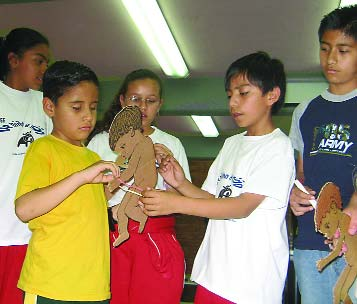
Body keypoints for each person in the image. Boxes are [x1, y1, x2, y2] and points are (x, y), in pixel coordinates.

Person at [141, 52, 295, 304]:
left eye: (243, 93)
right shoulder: (232, 144)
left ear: (272, 95)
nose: (233, 103)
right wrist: (180, 183)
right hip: (213, 275)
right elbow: (213, 200)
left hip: (249, 286)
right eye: (229, 95)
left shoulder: (277, 147)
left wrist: (175, 203)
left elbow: (241, 206)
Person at [14, 60, 119, 303]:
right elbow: (24, 209)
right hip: (50, 286)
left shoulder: (92, 157)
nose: (88, 117)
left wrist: (111, 190)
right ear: (49, 107)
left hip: (93, 288)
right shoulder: (43, 149)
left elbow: (82, 209)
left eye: (92, 108)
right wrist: (82, 177)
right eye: (76, 107)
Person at [87, 68, 191, 304]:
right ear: (122, 100)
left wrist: (166, 168)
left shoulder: (171, 144)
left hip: (155, 235)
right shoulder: (101, 142)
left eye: (150, 101)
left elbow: (182, 202)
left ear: (159, 104)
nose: (142, 107)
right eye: (135, 99)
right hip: (111, 234)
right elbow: (89, 198)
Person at [288, 5, 357, 304]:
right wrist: (294, 193)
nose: (331, 59)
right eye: (325, 48)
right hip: (310, 243)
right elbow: (302, 175)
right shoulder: (305, 111)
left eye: (343, 50)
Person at [0, 28, 51, 304]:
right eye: (38, 60)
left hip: (26, 233)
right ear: (13, 59)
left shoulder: (44, 105)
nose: (44, 68)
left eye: (46, 63)